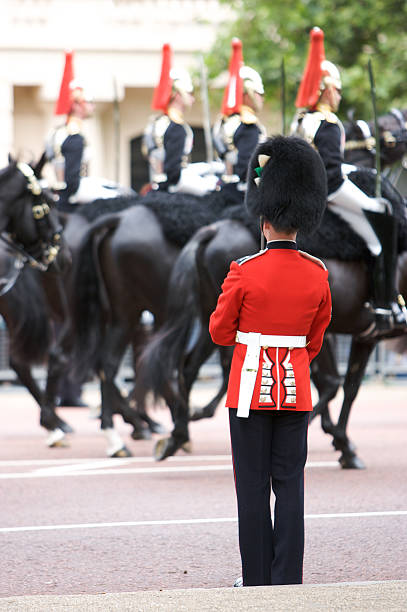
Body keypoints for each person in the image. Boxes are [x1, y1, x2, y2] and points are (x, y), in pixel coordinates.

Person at [209, 135, 332, 587]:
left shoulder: (244, 270)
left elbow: (219, 332)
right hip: (297, 392)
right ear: (301, 220)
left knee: (253, 491)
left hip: (248, 392)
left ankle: (257, 579)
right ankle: (288, 580)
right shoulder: (318, 273)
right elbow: (315, 340)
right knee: (291, 487)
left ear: (263, 221)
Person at [291, 27, 407, 337]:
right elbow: (330, 177)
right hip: (329, 194)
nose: (339, 95)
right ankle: (384, 304)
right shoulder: (329, 123)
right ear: (326, 89)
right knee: (380, 226)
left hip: (306, 195)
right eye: (337, 89)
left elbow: (316, 162)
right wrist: (369, 202)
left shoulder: (301, 120)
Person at [142, 44, 218, 196]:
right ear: (178, 94)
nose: (192, 97)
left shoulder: (156, 122)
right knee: (213, 191)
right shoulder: (176, 127)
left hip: (157, 183)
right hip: (174, 185)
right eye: (190, 93)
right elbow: (174, 171)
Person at [213, 38, 267, 203]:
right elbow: (248, 166)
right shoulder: (247, 124)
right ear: (248, 92)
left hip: (224, 187)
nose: (262, 99)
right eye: (259, 93)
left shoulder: (225, 121)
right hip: (242, 193)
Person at [46, 51, 95, 212]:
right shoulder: (73, 135)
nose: (91, 106)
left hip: (59, 195)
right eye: (88, 102)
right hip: (72, 201)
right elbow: (73, 180)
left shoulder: (57, 132)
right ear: (76, 106)